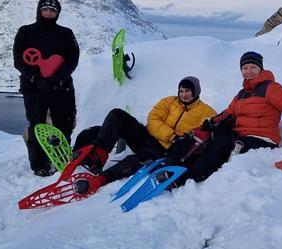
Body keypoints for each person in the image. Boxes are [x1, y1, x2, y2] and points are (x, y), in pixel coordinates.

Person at [184, 51, 282, 183]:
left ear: (260, 68)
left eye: (253, 67)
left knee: (222, 143)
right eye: (245, 68)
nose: (248, 71)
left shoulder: (271, 88)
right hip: (241, 136)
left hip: (262, 138)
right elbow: (229, 112)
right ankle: (188, 172)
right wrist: (211, 121)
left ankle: (196, 177)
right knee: (213, 139)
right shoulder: (242, 93)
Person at [71, 76, 216, 193]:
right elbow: (153, 119)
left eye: (188, 91)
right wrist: (172, 136)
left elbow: (204, 134)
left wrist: (181, 142)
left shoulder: (206, 112)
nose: (183, 95)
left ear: (196, 91)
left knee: (135, 161)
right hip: (147, 136)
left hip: (164, 151)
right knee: (117, 115)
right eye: (181, 91)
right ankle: (99, 155)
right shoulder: (169, 101)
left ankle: (102, 179)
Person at [13, 0, 80, 176]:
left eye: (52, 10)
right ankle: (39, 165)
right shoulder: (25, 32)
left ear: (57, 13)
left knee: (64, 124)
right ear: (39, 10)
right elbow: (18, 60)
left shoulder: (66, 33)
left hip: (61, 87)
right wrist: (35, 78)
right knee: (37, 125)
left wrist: (57, 78)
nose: (49, 13)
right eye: (45, 9)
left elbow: (72, 59)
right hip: (33, 88)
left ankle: (62, 159)